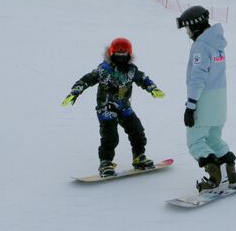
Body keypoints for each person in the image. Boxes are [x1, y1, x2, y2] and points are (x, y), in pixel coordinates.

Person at [62, 37, 166, 177]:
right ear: (112, 54)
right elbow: (87, 79)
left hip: (123, 107)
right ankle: (105, 162)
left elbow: (143, 78)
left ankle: (139, 156)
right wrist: (75, 92)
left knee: (136, 130)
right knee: (110, 135)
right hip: (106, 107)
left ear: (129, 55)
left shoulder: (131, 70)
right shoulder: (104, 69)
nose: (121, 58)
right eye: (118, 55)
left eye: (124, 55)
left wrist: (152, 88)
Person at [176, 5, 236, 191]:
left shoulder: (200, 46)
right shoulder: (216, 44)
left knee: (195, 141)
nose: (187, 33)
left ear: (195, 26)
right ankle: (229, 172)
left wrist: (191, 106)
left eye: (187, 28)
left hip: (204, 100)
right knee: (213, 139)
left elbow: (198, 79)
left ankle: (215, 176)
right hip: (220, 101)